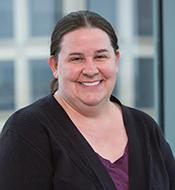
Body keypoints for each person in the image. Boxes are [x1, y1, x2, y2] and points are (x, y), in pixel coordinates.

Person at [0, 10, 174, 190]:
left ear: (116, 60)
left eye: (100, 56)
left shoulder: (145, 127)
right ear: (54, 65)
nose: (90, 70)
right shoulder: (26, 131)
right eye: (77, 58)